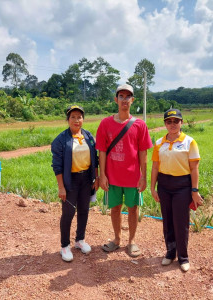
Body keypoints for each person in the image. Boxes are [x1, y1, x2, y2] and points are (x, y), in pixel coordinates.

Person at [96, 84, 152, 257]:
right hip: (112, 177)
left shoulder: (140, 125)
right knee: (115, 208)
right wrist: (102, 175)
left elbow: (143, 153)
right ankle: (117, 239)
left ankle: (132, 241)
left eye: (128, 97)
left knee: (133, 208)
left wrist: (143, 176)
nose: (124, 100)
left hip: (133, 177)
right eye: (121, 96)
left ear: (132, 100)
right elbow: (102, 151)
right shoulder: (105, 124)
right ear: (116, 100)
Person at [150, 108, 203, 272]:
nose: (172, 124)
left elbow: (194, 169)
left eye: (176, 121)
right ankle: (170, 252)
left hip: (182, 186)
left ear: (181, 122)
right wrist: (153, 188)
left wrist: (194, 190)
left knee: (181, 222)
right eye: (169, 121)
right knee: (167, 221)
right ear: (165, 123)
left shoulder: (189, 142)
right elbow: (155, 167)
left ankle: (183, 257)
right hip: (164, 185)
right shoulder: (159, 143)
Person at [51, 105, 99, 262]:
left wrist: (96, 178)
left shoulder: (88, 136)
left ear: (83, 119)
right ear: (67, 119)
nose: (76, 120)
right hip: (70, 180)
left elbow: (96, 159)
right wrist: (61, 186)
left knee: (84, 210)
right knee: (68, 213)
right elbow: (57, 166)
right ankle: (65, 246)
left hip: (86, 179)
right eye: (73, 117)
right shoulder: (61, 140)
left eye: (79, 117)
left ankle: (80, 240)